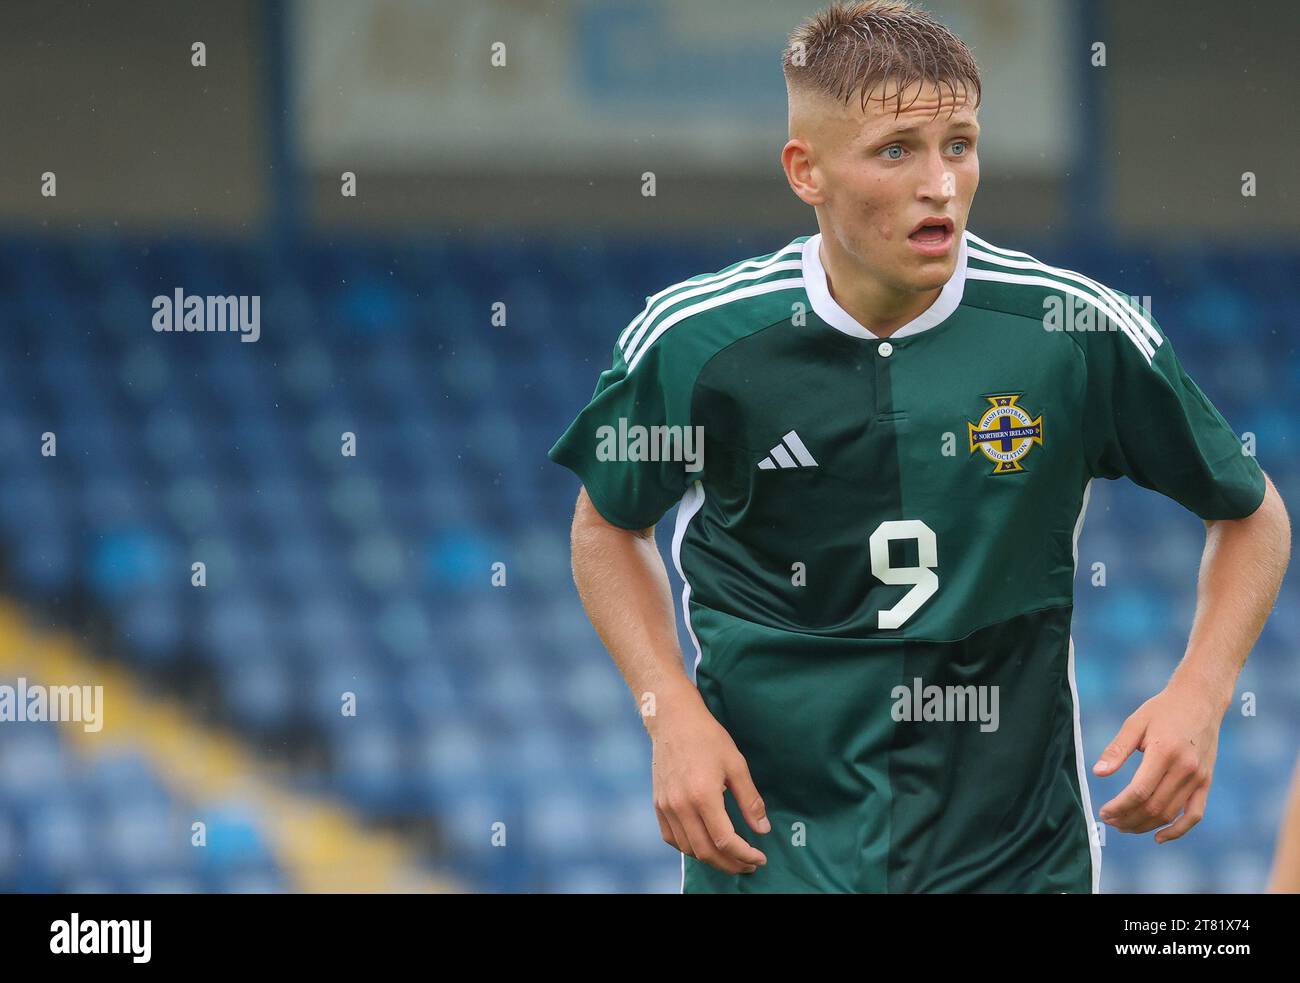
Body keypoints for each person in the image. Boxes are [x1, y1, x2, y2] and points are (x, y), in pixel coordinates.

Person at [548, 0, 1291, 893]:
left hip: (1015, 861)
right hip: (772, 857)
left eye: (960, 145)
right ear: (805, 171)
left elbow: (1251, 514)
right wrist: (668, 713)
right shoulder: (699, 343)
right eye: (896, 150)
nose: (940, 183)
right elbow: (606, 526)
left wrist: (1201, 694)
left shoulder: (1070, 331)